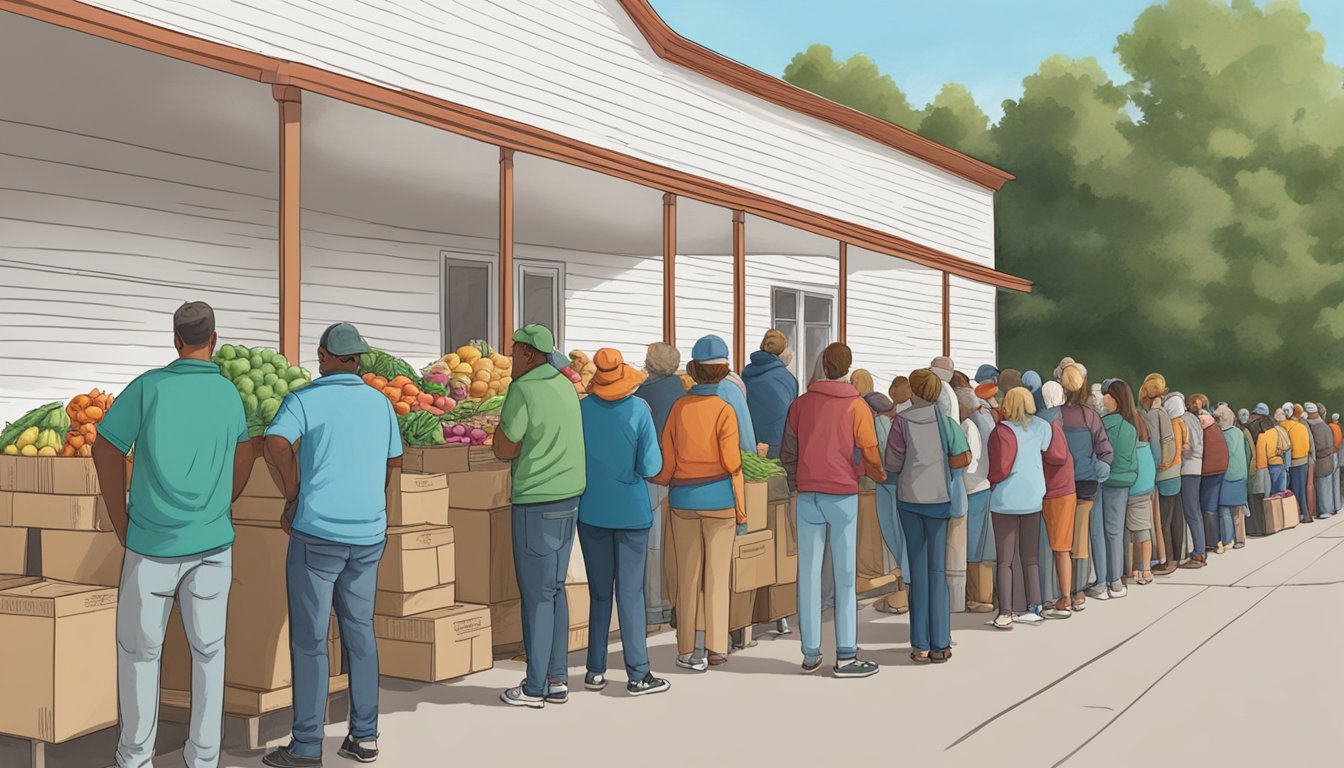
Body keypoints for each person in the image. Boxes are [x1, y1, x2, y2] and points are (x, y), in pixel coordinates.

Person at [93, 302, 253, 768]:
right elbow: (245, 455)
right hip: (213, 546)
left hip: (151, 547)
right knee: (209, 653)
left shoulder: (149, 387)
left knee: (140, 655)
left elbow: (105, 447)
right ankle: (203, 757)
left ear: (175, 339)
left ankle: (135, 757)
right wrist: (222, 504)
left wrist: (119, 519)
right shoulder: (227, 393)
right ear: (214, 339)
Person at [257, 321, 400, 767]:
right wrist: (375, 503)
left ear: (322, 355)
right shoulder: (380, 403)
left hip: (317, 531)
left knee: (311, 640)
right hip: (368, 534)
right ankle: (365, 736)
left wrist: (293, 491)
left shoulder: (305, 399)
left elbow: (274, 444)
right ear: (357, 359)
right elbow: (394, 460)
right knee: (360, 631)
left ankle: (305, 746)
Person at [494, 324, 588, 708]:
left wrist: (501, 434)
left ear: (530, 355)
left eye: (515, 352)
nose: (511, 358)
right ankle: (558, 678)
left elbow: (505, 447)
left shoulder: (523, 389)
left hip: (537, 499)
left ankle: (534, 687)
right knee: (554, 588)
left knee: (536, 595)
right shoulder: (565, 385)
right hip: (569, 497)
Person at [781, 343, 884, 677]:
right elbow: (869, 452)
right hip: (842, 494)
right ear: (848, 367)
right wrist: (877, 474)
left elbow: (788, 452)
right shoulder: (856, 407)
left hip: (808, 493)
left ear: (823, 365)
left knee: (808, 576)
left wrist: (798, 481)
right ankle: (846, 655)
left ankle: (810, 653)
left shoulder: (800, 405)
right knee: (844, 578)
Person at [575, 349, 670, 696]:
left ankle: (595, 669)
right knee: (630, 593)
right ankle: (638, 673)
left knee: (599, 594)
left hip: (590, 511)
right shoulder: (638, 411)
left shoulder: (581, 411)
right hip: (631, 512)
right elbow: (651, 466)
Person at [651, 335, 745, 671]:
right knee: (717, 577)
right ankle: (717, 647)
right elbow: (733, 464)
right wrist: (742, 509)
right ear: (723, 372)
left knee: (687, 577)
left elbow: (668, 460)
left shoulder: (679, 408)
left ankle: (687, 648)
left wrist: (662, 482)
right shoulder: (724, 410)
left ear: (692, 369)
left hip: (683, 500)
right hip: (719, 500)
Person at [885, 370, 972, 664]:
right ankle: (941, 643)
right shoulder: (947, 423)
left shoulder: (901, 422)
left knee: (918, 573)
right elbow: (963, 457)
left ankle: (920, 644)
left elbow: (892, 463)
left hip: (909, 502)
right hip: (939, 501)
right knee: (938, 572)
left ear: (914, 392)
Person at [986, 388, 1058, 629]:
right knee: (1030, 556)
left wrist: (992, 482)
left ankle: (1006, 612)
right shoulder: (1042, 427)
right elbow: (1050, 453)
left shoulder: (1002, 431)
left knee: (1005, 560)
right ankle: (1034, 607)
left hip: (1005, 499)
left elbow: (998, 468)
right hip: (1033, 497)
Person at [635, 342, 684, 627]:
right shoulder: (683, 392)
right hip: (681, 477)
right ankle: (673, 602)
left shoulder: (643, 396)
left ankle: (655, 607)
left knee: (654, 546)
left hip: (654, 476)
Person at [1059, 363, 1113, 609]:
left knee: (1059, 539)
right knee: (1080, 539)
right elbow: (1105, 452)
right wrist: (1096, 469)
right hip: (1086, 485)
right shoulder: (1091, 416)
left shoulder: (1054, 416)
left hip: (1058, 485)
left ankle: (1060, 591)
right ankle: (1078, 591)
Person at [1092, 379, 1139, 600]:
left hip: (1100, 482)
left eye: (1107, 395)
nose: (1104, 398)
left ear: (1116, 399)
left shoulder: (1099, 424)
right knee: (1115, 533)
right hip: (1122, 484)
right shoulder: (1130, 428)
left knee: (1098, 533)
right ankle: (1116, 581)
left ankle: (1100, 582)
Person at [1037, 382, 1076, 618]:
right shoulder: (1058, 418)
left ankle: (1064, 597)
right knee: (1060, 547)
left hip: (1056, 489)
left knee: (1058, 547)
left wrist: (1040, 452)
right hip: (1061, 488)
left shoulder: (1048, 422)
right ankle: (1062, 596)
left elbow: (1059, 454)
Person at [959, 386, 995, 613]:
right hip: (983, 485)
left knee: (973, 544)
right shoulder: (985, 418)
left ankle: (978, 596)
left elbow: (971, 462)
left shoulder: (969, 425)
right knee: (980, 543)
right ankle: (982, 594)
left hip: (974, 488)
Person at [1139, 374, 1177, 576]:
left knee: (1158, 520)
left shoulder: (1153, 414)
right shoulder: (1160, 413)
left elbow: (1160, 444)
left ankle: (1164, 558)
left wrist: (1157, 467)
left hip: (1157, 473)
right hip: (1162, 472)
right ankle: (1163, 558)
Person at [742, 329, 798, 459]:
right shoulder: (786, 378)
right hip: (778, 447)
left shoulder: (745, 374)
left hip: (750, 446)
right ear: (781, 352)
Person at [1190, 394, 1229, 555]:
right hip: (1219, 468)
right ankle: (1216, 539)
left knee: (1208, 508)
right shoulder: (1214, 424)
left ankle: (1213, 541)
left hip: (1208, 471)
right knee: (1212, 507)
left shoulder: (1199, 424)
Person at [1128, 394, 1158, 585]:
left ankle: (1137, 569)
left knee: (1133, 532)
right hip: (1147, 484)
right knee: (1143, 528)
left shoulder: (1130, 440)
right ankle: (1144, 568)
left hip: (1133, 486)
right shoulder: (1145, 432)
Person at [1214, 405, 1250, 551]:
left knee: (1224, 510)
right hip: (1240, 475)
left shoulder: (1220, 435)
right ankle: (1240, 539)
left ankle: (1227, 539)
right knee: (1238, 511)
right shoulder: (1239, 433)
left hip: (1225, 475)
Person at [1306, 403, 1336, 519]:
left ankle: (1324, 510)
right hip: (1328, 458)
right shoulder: (1325, 426)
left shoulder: (1313, 426)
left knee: (1323, 485)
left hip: (1320, 460)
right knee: (1327, 485)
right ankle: (1328, 508)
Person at [1283, 404, 1312, 523]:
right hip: (1303, 460)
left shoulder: (1285, 426)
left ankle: (1299, 514)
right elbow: (1308, 445)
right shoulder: (1302, 427)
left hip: (1292, 462)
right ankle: (1304, 514)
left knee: (1293, 489)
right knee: (1301, 489)